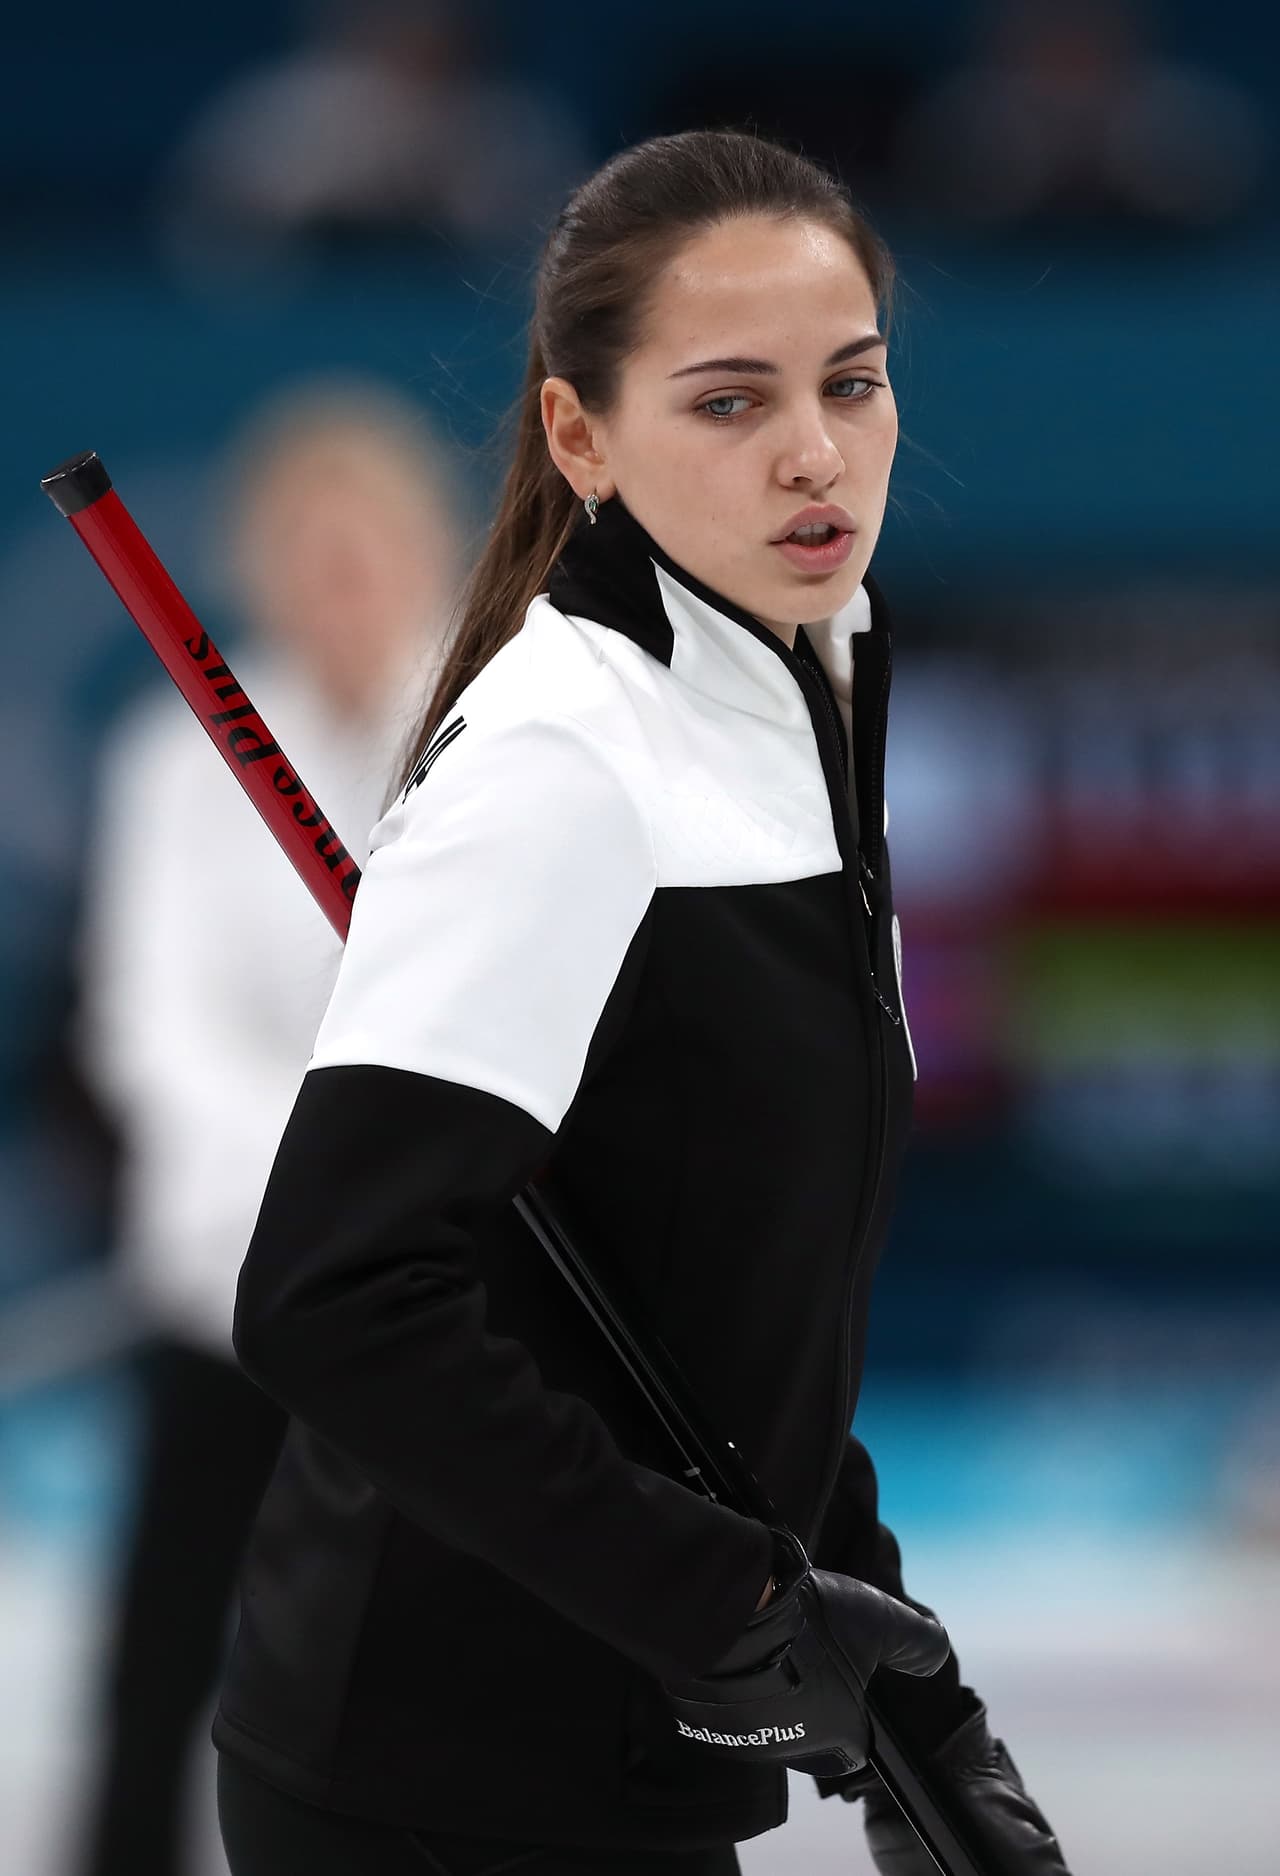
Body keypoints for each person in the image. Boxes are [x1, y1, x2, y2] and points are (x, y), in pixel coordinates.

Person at [212, 132, 1074, 1875]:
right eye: (731, 402)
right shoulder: (561, 762)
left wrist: (912, 1710)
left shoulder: (812, 676)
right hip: (434, 1773)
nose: (817, 453)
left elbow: (721, 1308)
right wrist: (733, 1605)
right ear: (579, 436)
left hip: (630, 1745)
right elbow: (334, 1301)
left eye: (852, 383)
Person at [71, 379, 460, 1876]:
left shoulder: (500, 742)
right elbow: (149, 1031)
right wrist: (319, 1179)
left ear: (428, 549)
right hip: (227, 1291)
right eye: (311, 549)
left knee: (442, 1685)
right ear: (261, 565)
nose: (341, 581)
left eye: (367, 547)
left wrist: (396, 1189)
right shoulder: (173, 768)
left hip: (437, 1312)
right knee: (159, 1669)